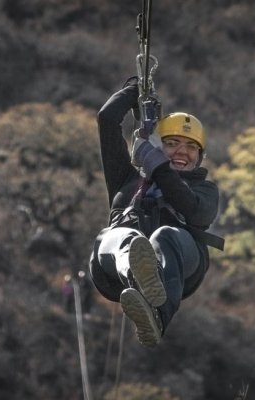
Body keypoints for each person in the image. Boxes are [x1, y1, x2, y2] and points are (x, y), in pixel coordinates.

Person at [89, 78, 223, 348]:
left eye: (191, 147)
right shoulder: (127, 179)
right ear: (158, 144)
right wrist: (135, 90)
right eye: (172, 143)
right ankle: (137, 276)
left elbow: (194, 212)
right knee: (120, 235)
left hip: (178, 266)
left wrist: (156, 164)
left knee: (165, 235)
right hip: (115, 271)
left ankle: (157, 316)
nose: (181, 152)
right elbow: (107, 119)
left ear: (200, 156)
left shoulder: (205, 190)